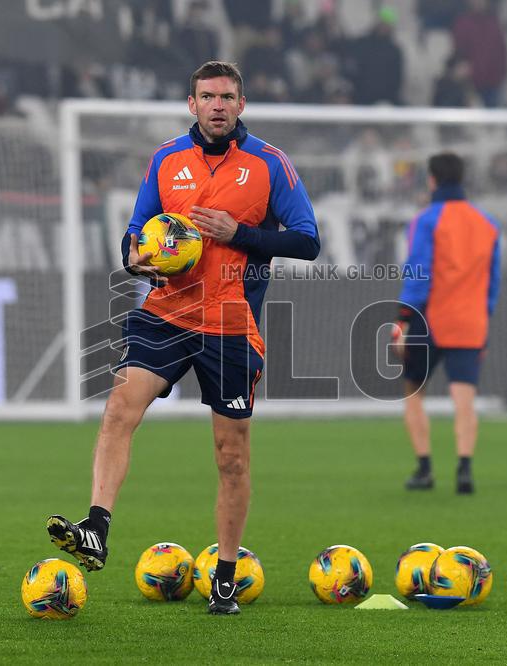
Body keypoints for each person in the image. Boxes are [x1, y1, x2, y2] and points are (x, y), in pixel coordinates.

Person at [47, 61, 320, 615]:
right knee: (120, 407)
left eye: (226, 96)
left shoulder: (269, 165)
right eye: (206, 96)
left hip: (231, 322)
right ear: (191, 104)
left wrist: (238, 233)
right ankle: (97, 526)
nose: (217, 105)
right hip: (165, 311)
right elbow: (133, 234)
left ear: (241, 105)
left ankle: (224, 575)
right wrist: (136, 258)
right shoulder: (166, 159)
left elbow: (309, 241)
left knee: (231, 456)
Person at [392, 153, 501, 494]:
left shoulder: (426, 221)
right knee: (464, 399)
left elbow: (418, 272)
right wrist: (484, 318)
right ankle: (465, 468)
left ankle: (424, 468)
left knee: (413, 392)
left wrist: (403, 321)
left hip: (430, 320)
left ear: (432, 179)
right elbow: (492, 281)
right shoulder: (487, 223)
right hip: (470, 322)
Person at [451, 0, 507, 107]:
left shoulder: (494, 23)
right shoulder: (462, 23)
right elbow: (458, 50)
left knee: (492, 119)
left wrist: (501, 73)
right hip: (470, 84)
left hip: (493, 83)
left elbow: (502, 51)